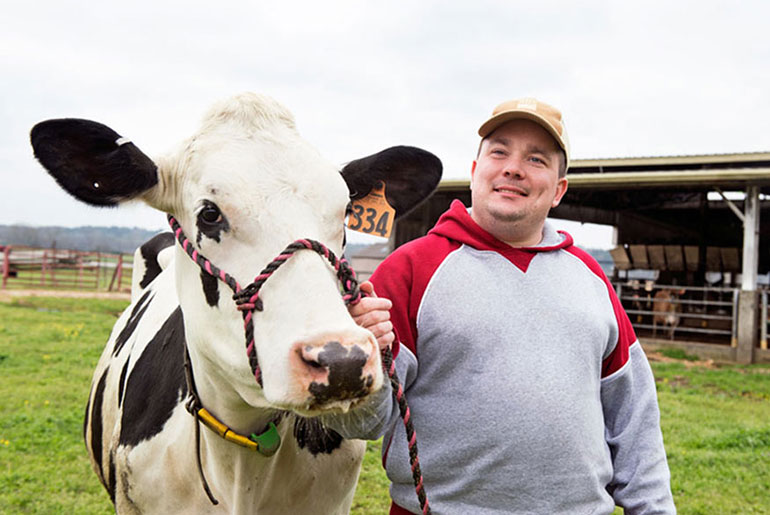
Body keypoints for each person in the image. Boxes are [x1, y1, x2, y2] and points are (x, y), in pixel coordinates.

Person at [328, 98, 676, 514]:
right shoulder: (408, 270)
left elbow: (634, 418)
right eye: (499, 151)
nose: (513, 167)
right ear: (476, 171)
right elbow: (360, 424)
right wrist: (359, 362)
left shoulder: (591, 278)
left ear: (558, 190)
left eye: (536, 158)